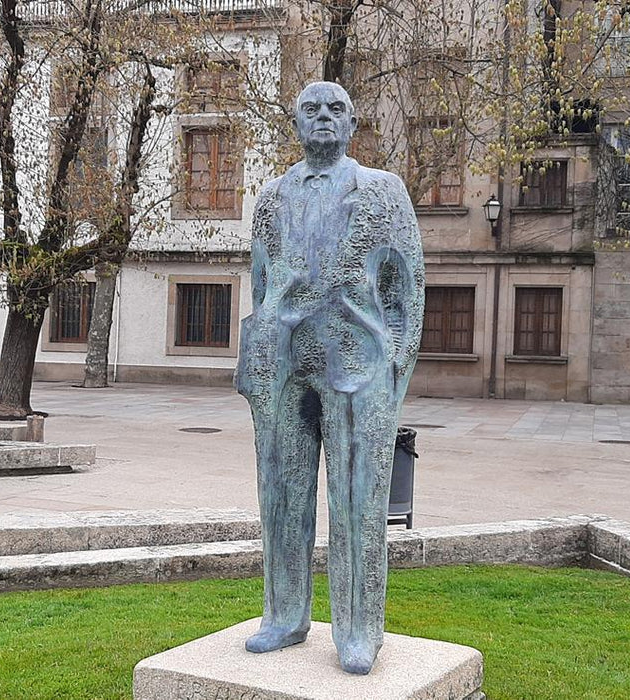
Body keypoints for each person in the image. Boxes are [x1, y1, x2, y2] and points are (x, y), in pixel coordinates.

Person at [234, 80, 424, 675]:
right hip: (284, 363)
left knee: (357, 500)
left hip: (357, 363)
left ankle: (359, 632)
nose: (323, 118)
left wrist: (395, 367)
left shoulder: (383, 191)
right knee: (281, 496)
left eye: (335, 110)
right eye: (311, 110)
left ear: (352, 123)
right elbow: (261, 282)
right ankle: (284, 616)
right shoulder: (270, 197)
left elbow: (408, 285)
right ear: (296, 123)